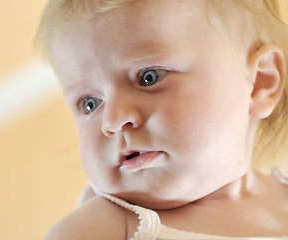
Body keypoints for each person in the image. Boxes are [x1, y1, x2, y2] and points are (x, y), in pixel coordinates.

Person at [35, 0, 288, 239]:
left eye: (149, 77)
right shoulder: (101, 230)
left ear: (259, 83)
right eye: (90, 104)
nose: (112, 122)